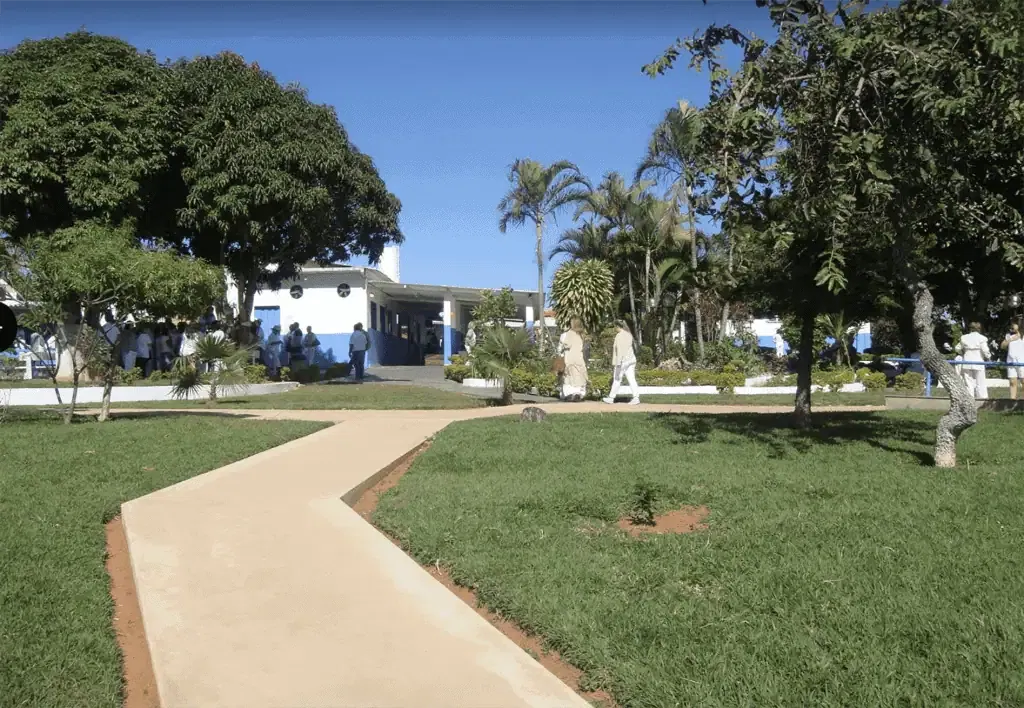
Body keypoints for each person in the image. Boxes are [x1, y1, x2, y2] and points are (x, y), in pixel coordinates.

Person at [603, 320, 641, 405]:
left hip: (622, 361)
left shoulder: (619, 336)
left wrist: (618, 362)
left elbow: (620, 350)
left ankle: (611, 398)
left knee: (617, 379)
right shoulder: (629, 334)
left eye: (614, 327)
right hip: (631, 359)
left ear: (617, 326)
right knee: (631, 379)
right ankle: (636, 397)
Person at [955, 322, 991, 399]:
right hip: (979, 361)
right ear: (979, 329)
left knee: (968, 382)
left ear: (970, 329)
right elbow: (985, 350)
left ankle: (969, 399)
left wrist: (962, 353)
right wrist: (988, 357)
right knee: (980, 382)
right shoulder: (982, 338)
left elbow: (957, 348)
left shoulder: (964, 337)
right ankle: (982, 399)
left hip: (967, 361)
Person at [558, 318, 588, 401]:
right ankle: (578, 393)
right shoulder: (582, 334)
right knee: (579, 374)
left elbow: (565, 345)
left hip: (569, 357)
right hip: (579, 357)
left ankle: (570, 394)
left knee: (568, 376)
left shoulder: (568, 334)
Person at [1001, 320, 1024, 400]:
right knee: (1012, 382)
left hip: (1022, 361)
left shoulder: (1023, 335)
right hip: (1011, 361)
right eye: (1012, 324)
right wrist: (1010, 340)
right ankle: (1012, 400)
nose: (1012, 326)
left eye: (1014, 324)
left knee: (1023, 381)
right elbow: (1002, 346)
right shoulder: (1009, 335)